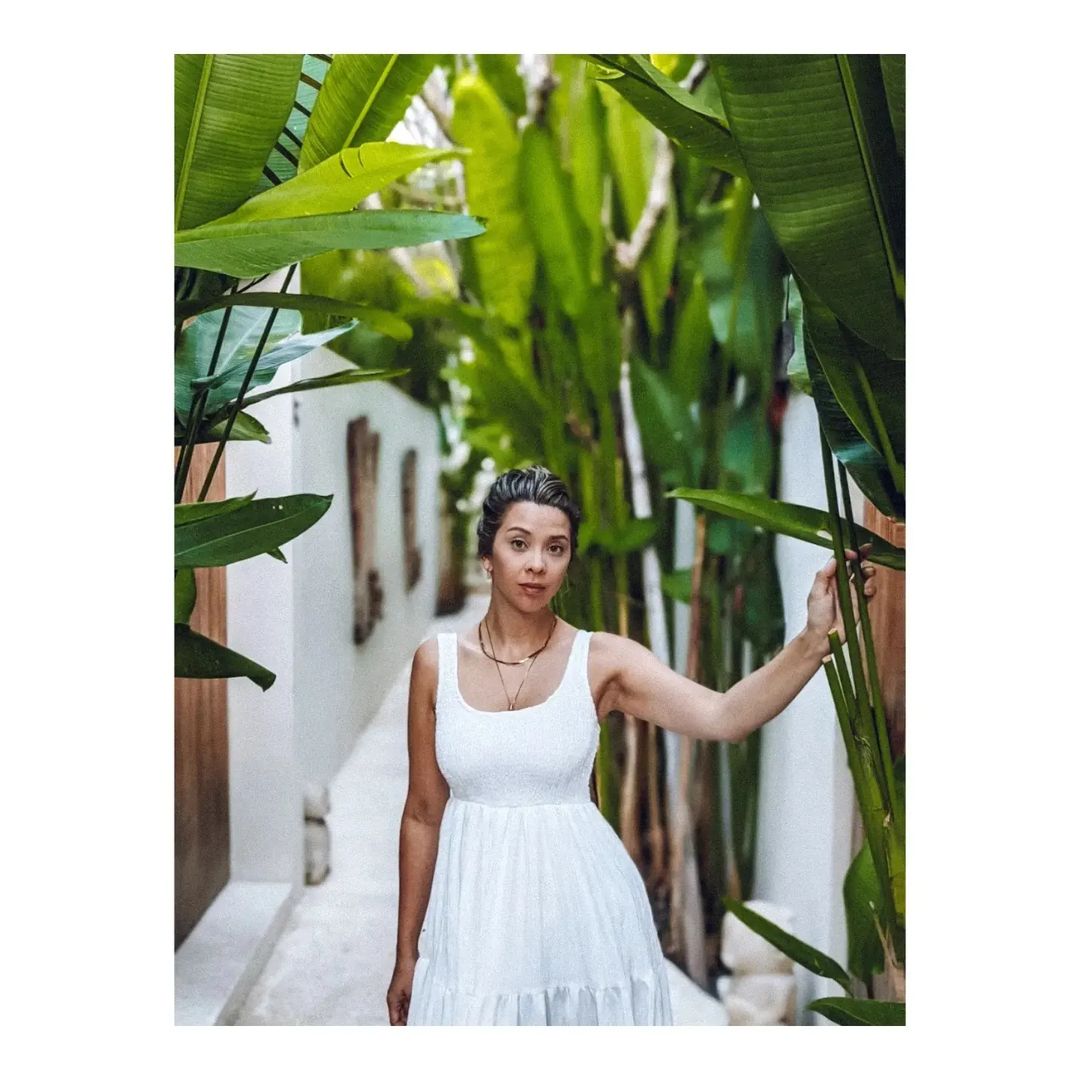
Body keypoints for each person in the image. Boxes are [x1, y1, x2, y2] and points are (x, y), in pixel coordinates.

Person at [387, 464, 877, 1025]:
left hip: (583, 922)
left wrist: (813, 641)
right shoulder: (437, 665)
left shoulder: (602, 661)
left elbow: (725, 716)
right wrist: (406, 954)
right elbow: (422, 815)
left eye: (556, 548)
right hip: (475, 923)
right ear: (487, 555)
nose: (537, 564)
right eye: (518, 543)